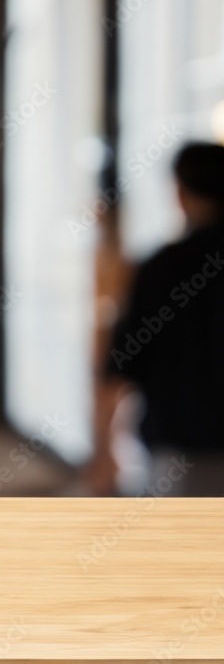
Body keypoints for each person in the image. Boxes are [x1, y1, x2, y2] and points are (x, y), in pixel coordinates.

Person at [92, 142, 224, 496]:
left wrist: (103, 452)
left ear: (180, 194)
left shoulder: (161, 268)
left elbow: (120, 365)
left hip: (180, 453)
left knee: (185, 546)